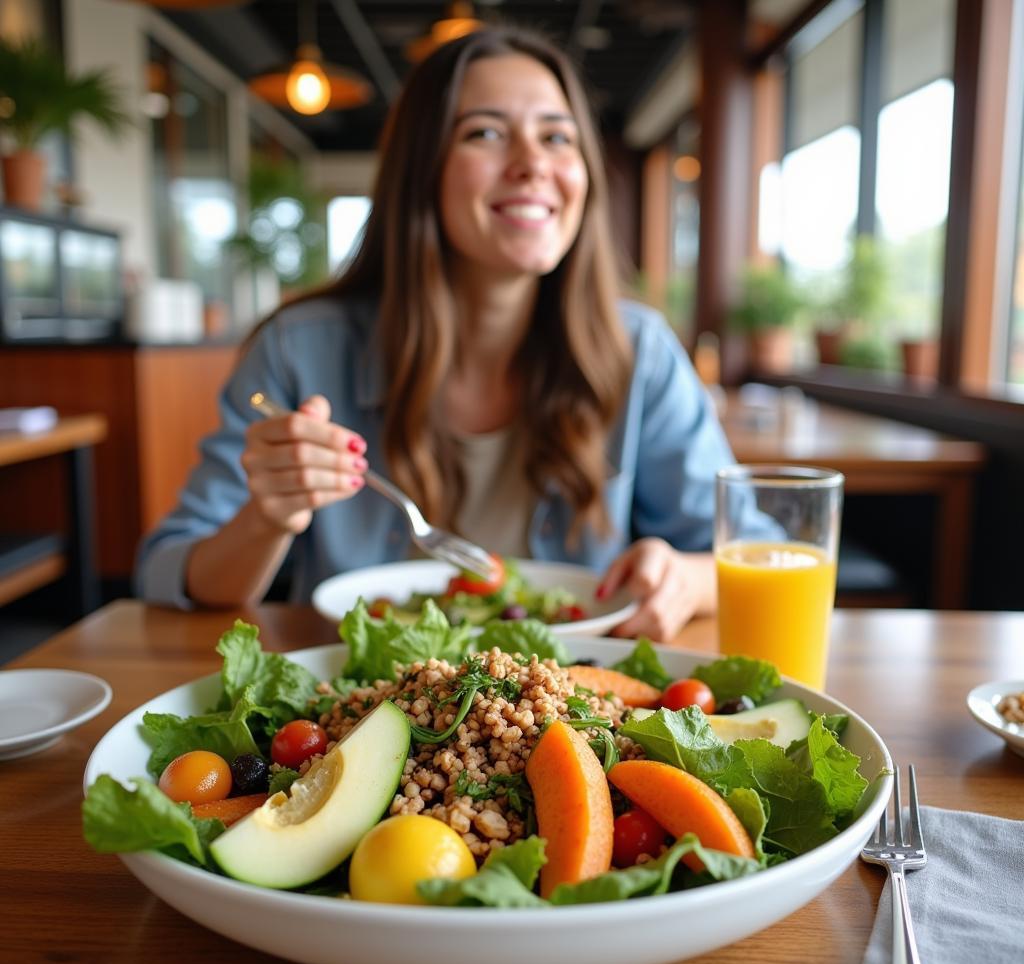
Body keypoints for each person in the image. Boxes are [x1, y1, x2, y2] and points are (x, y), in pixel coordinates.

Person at [136, 25, 748, 642]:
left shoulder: (638, 351)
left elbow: (755, 551)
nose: (534, 164)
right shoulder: (298, 350)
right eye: (484, 133)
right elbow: (167, 572)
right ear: (421, 169)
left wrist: (684, 579)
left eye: (557, 137)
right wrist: (269, 516)